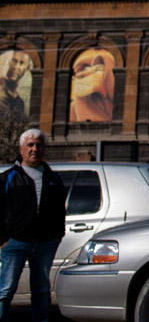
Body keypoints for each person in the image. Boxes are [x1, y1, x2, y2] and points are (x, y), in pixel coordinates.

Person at [0, 129, 67, 322]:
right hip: (15, 242)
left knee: (41, 290)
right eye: (30, 145)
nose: (34, 149)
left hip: (45, 243)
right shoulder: (8, 178)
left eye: (38, 145)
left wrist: (57, 235)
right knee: (5, 290)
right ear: (21, 149)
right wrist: (3, 239)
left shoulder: (53, 178)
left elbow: (60, 209)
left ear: (44, 148)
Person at [0, 53, 31, 122]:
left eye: (21, 63)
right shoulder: (1, 94)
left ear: (27, 67)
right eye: (14, 61)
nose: (16, 67)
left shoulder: (20, 102)